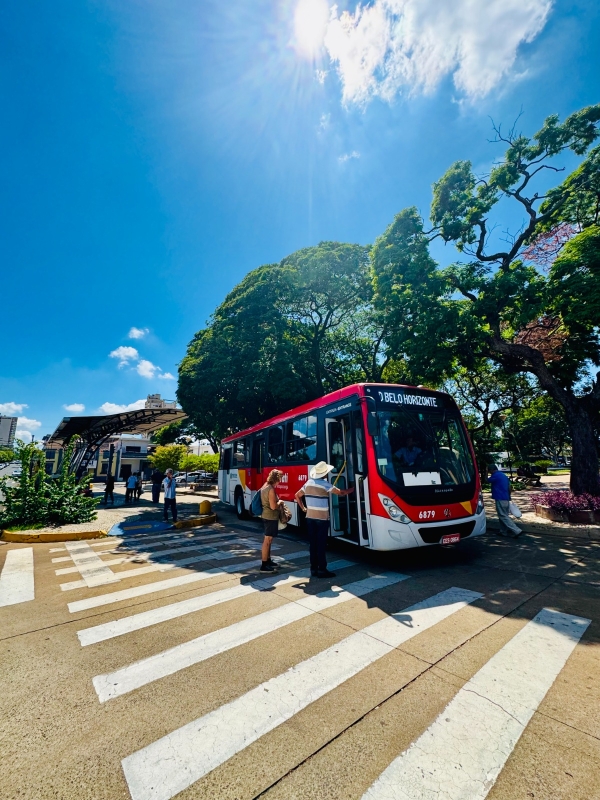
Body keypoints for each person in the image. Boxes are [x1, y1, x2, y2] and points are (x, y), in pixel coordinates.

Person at [295, 461, 354, 578]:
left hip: (310, 518)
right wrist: (353, 489)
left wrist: (303, 508)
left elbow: (297, 495)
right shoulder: (325, 484)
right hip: (321, 519)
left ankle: (313, 569)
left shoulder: (308, 483)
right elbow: (341, 493)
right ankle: (322, 569)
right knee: (321, 544)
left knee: (313, 544)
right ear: (324, 474)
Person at [258, 469, 284, 572]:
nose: (280, 481)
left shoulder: (265, 486)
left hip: (266, 516)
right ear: (276, 478)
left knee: (269, 540)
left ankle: (268, 561)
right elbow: (273, 506)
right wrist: (280, 502)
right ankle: (264, 565)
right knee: (267, 540)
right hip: (270, 517)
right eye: (280, 479)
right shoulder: (271, 489)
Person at [489, 464, 522, 538]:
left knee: (503, 516)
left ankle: (516, 530)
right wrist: (509, 496)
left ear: (491, 470)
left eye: (489, 471)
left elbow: (486, 480)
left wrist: (484, 473)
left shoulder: (495, 475)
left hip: (499, 498)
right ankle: (503, 531)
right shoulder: (503, 475)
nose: (489, 472)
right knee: (503, 515)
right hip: (506, 498)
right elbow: (509, 487)